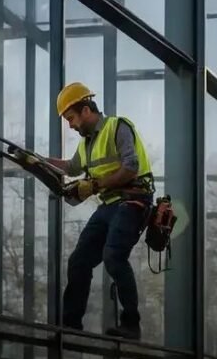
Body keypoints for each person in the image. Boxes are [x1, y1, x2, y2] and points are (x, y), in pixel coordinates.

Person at [44, 82, 154, 340]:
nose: (70, 125)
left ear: (85, 110)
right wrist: (40, 160)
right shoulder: (87, 143)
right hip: (109, 205)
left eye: (70, 118)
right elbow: (71, 167)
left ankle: (131, 324)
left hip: (133, 201)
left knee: (114, 257)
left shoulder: (118, 127)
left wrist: (93, 185)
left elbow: (131, 167)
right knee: (79, 261)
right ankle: (70, 324)